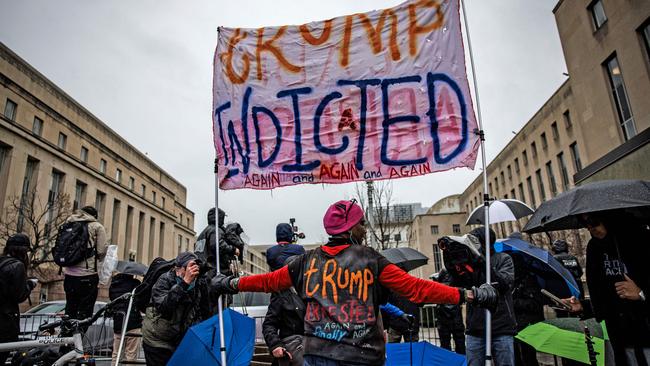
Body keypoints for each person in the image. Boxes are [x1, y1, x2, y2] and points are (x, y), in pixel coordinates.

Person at [212, 199, 498, 366]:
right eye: (361, 223)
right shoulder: (370, 259)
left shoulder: (305, 261)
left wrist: (230, 283)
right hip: (362, 357)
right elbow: (416, 289)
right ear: (350, 228)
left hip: (318, 356)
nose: (364, 228)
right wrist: (469, 295)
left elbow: (267, 282)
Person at [564, 213, 650, 365]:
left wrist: (641, 293)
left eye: (594, 223)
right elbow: (603, 295)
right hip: (620, 334)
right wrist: (584, 306)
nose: (592, 230)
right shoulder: (594, 249)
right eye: (587, 226)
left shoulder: (641, 238)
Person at [439, 227, 517, 366]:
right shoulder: (470, 264)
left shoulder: (504, 259)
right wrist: (451, 261)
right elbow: (457, 283)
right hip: (475, 328)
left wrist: (482, 262)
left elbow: (503, 285)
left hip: (501, 327)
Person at [141, 252, 210, 366]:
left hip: (179, 339)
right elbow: (164, 307)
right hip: (157, 340)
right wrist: (184, 283)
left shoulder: (198, 283)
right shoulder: (164, 280)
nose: (191, 272)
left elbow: (202, 311)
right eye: (188, 267)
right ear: (178, 269)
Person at [63, 206, 107, 321]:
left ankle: (66, 335)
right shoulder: (97, 227)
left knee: (70, 309)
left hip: (68, 275)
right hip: (87, 275)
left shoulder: (68, 223)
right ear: (95, 216)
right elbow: (101, 251)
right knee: (84, 314)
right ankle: (78, 337)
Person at [0, 234, 37, 365]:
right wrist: (30, 285)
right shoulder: (17, 266)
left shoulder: (2, 261)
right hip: (5, 321)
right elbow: (19, 295)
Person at [263, 256, 306, 366]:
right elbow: (269, 324)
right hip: (291, 352)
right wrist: (276, 345)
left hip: (314, 351)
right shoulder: (280, 293)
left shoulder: (314, 291)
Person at [510, 254, 545, 366]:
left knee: (529, 357)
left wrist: (515, 302)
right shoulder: (509, 281)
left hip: (527, 326)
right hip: (513, 325)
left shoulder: (529, 280)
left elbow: (535, 304)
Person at [110, 272, 142, 365]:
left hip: (118, 321)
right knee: (131, 354)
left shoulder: (114, 285)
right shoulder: (135, 285)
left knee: (116, 354)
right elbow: (139, 300)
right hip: (133, 322)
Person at [433, 269, 465, 354]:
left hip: (443, 316)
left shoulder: (439, 288)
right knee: (459, 341)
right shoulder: (457, 287)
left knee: (445, 344)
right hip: (455, 316)